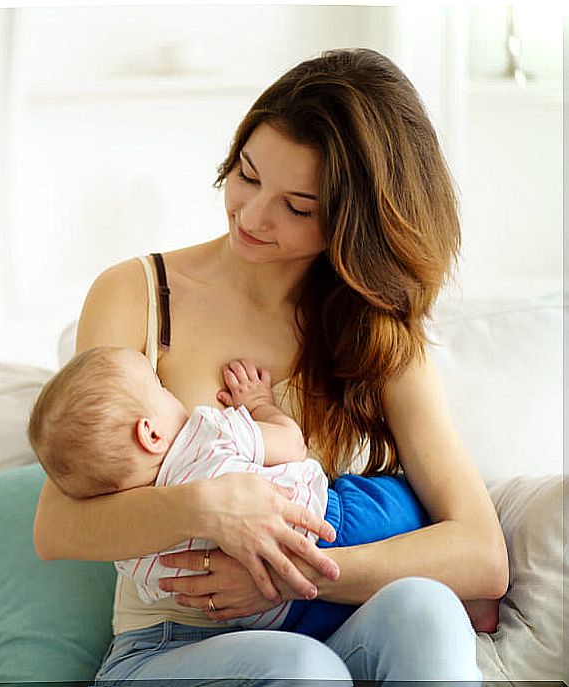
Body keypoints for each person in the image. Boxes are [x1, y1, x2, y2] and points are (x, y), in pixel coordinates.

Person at [32, 48, 507, 684]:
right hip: (170, 648)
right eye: (248, 176)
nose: (252, 217)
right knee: (303, 671)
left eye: (299, 206)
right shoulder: (138, 293)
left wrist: (294, 572)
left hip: (327, 620)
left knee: (426, 610)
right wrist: (212, 506)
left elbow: (480, 551)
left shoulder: (375, 330)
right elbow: (59, 527)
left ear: (352, 221)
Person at [28, 344, 430, 639]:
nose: (172, 393)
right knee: (410, 508)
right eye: (160, 388)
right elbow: (291, 444)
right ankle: (468, 602)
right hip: (332, 522)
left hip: (278, 616)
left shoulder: (134, 557)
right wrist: (259, 404)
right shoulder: (205, 432)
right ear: (150, 433)